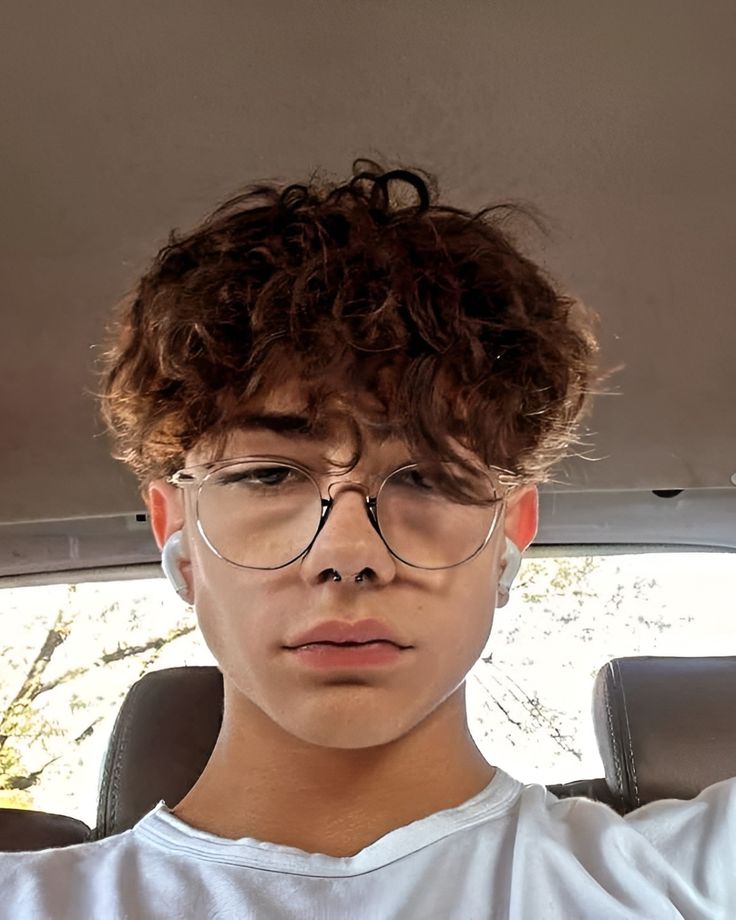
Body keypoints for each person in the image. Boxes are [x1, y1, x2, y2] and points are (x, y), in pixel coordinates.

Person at [1, 159, 733, 919]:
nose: (347, 553)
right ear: (176, 531)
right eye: (268, 476)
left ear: (511, 533)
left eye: (426, 477)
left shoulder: (692, 879)